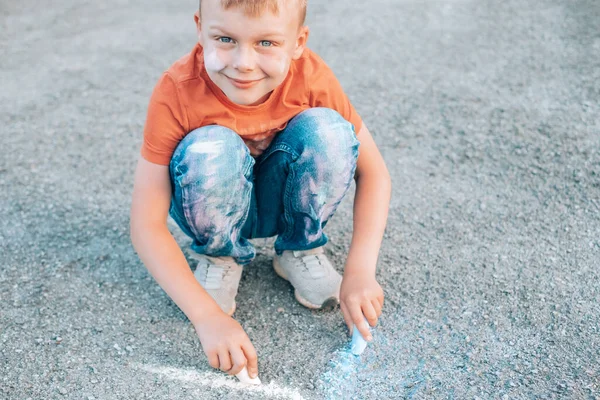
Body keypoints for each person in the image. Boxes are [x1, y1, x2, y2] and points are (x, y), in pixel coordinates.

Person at [130, 0, 391, 380]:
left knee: (330, 131)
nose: (244, 63)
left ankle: (300, 246)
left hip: (279, 201)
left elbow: (375, 174)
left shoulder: (311, 76)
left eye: (266, 43)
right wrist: (205, 317)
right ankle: (221, 256)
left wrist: (361, 270)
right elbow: (145, 223)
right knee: (211, 147)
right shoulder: (178, 90)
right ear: (199, 29)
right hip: (213, 204)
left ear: (298, 42)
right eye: (225, 39)